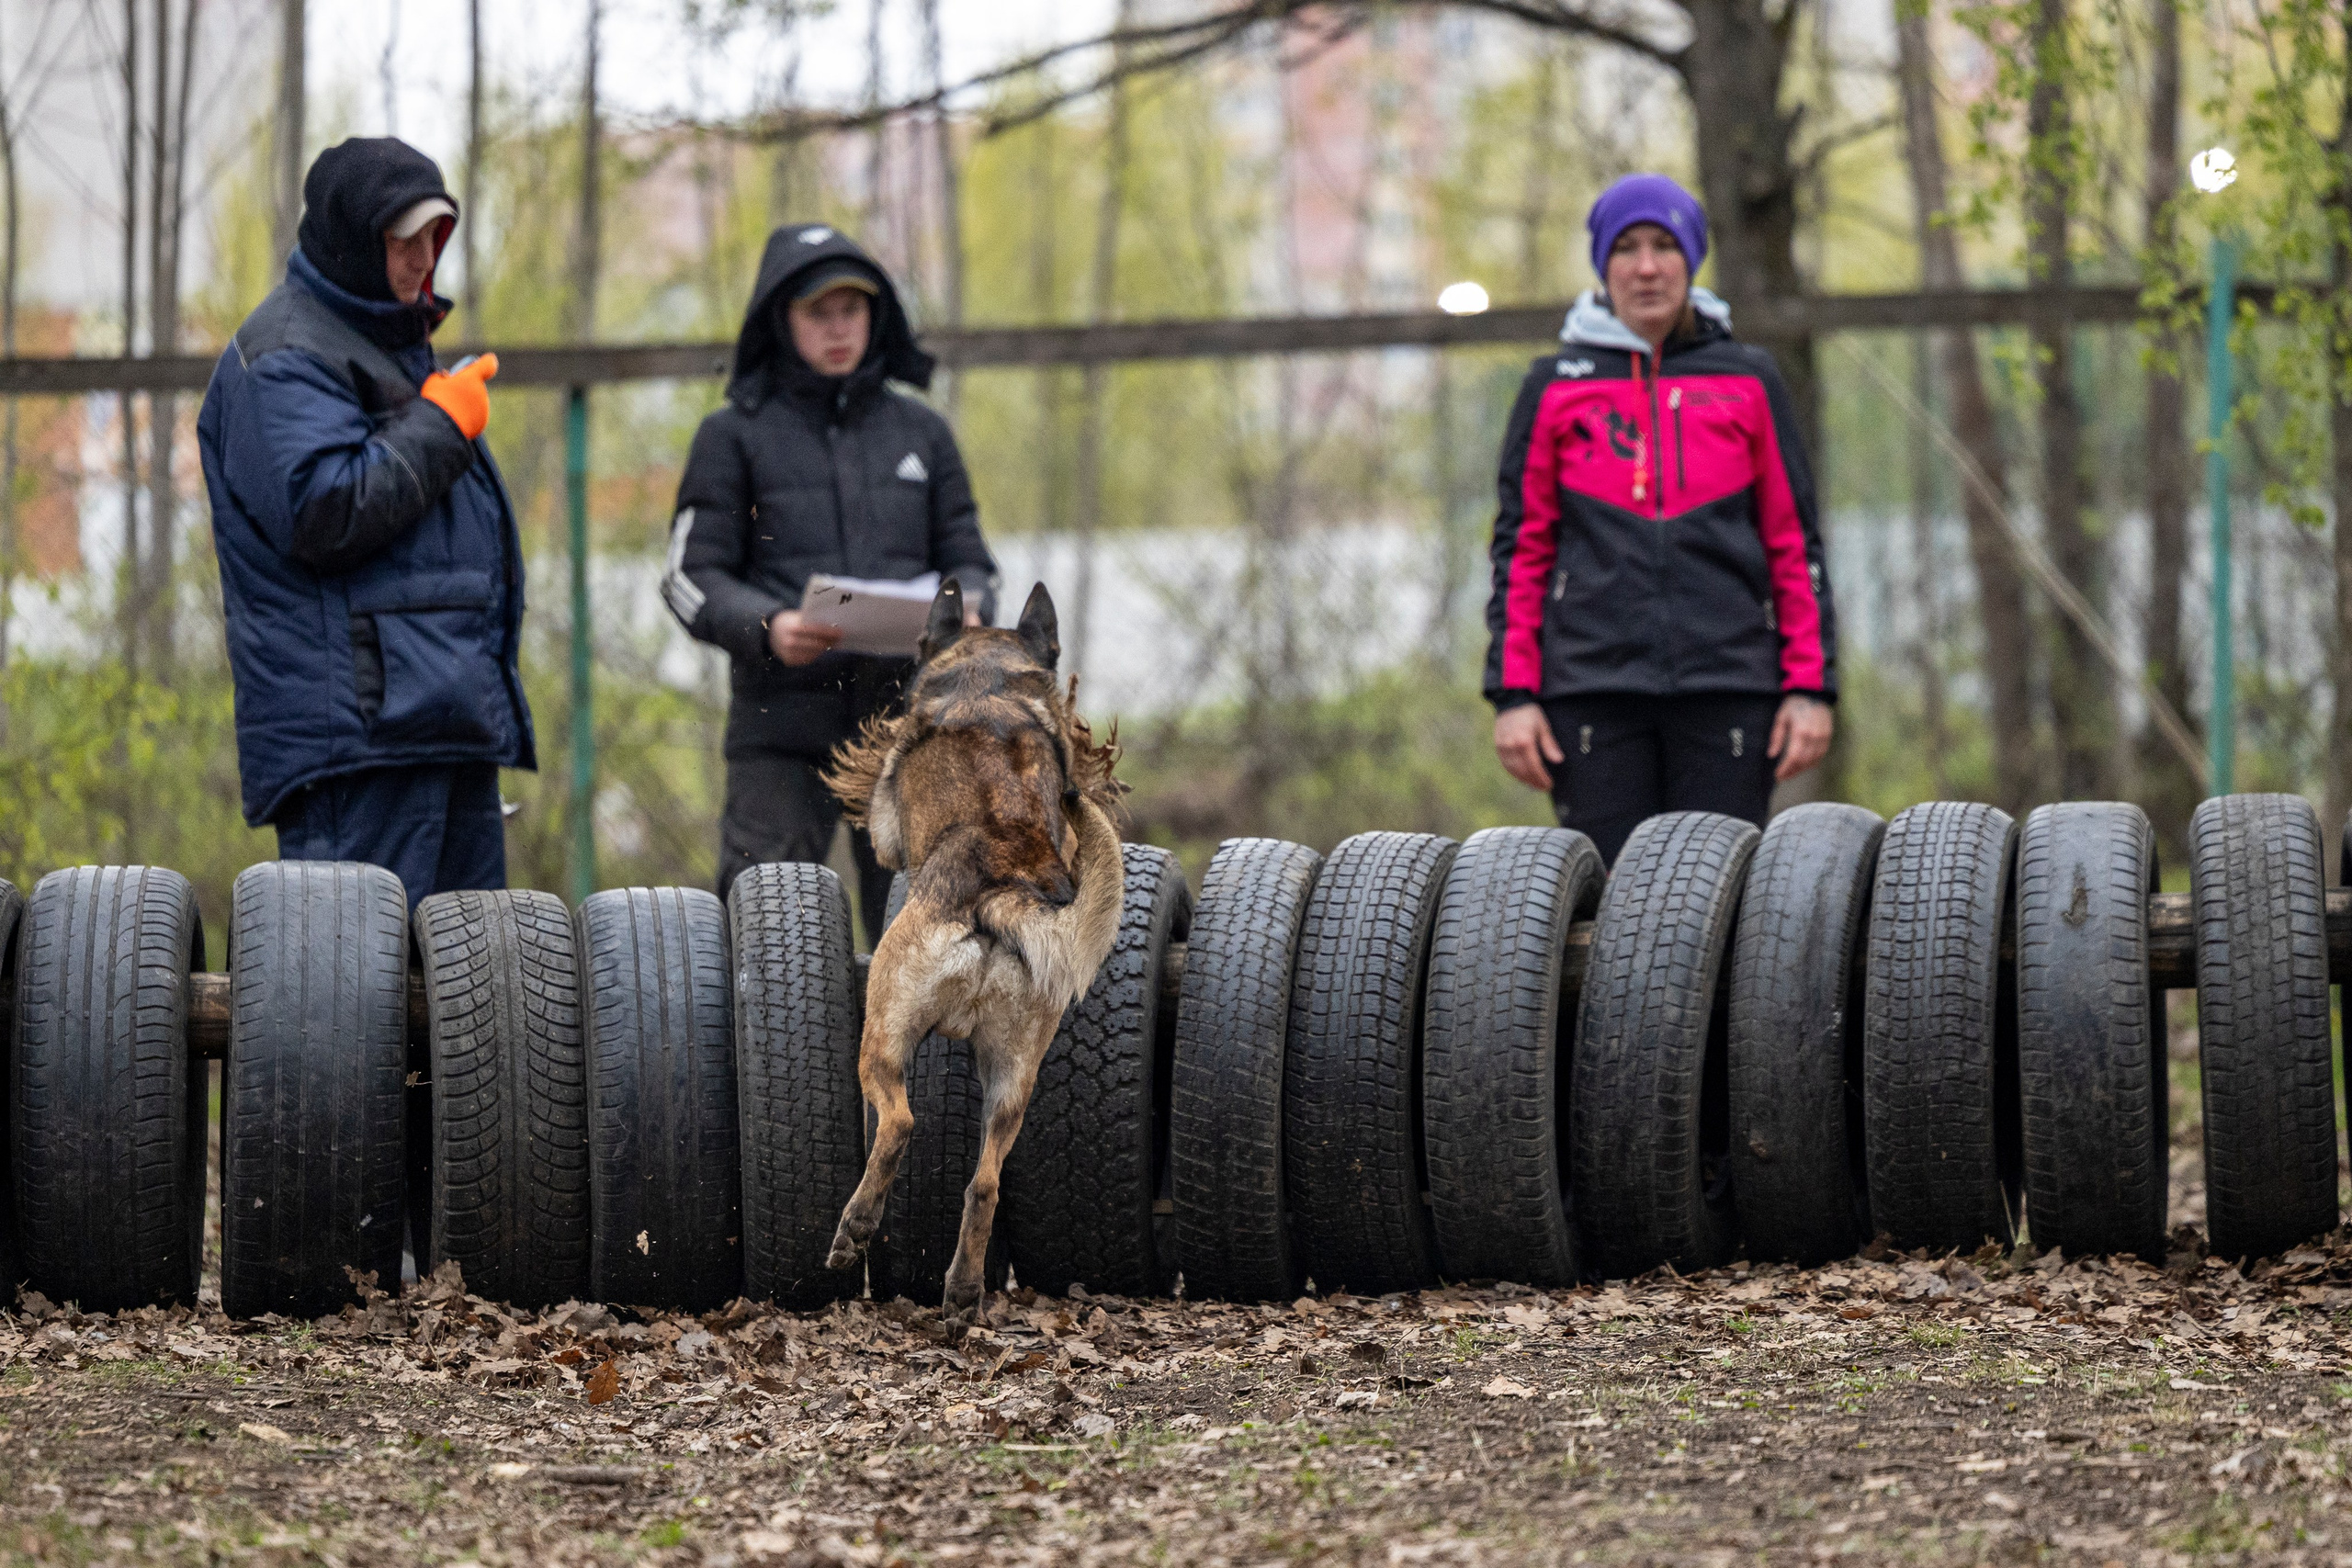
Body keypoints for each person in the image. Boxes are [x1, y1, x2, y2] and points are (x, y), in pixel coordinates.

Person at [198, 137, 532, 909]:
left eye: (433, 239)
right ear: (354, 240)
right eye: (400, 240)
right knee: (354, 1009)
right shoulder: (282, 355)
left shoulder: (385, 344)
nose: (422, 260)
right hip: (357, 748)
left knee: (478, 1008)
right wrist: (444, 425)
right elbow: (322, 507)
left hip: (435, 722)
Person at [1484, 173, 1838, 867]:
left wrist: (1809, 686)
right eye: (1627, 248)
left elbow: (1794, 543)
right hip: (1590, 696)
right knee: (1612, 910)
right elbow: (1521, 552)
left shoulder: (1750, 378)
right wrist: (1514, 694)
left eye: (1664, 246)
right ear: (1602, 265)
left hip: (1730, 688)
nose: (1646, 267)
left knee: (1717, 906)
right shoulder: (1553, 387)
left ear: (1692, 259)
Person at [662, 224, 998, 941]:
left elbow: (973, 560)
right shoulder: (732, 436)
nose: (839, 327)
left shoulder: (923, 433)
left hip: (914, 732)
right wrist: (769, 628)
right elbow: (689, 578)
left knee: (928, 944)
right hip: (779, 733)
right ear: (781, 320)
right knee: (767, 939)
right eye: (820, 312)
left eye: (854, 309)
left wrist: (968, 608)